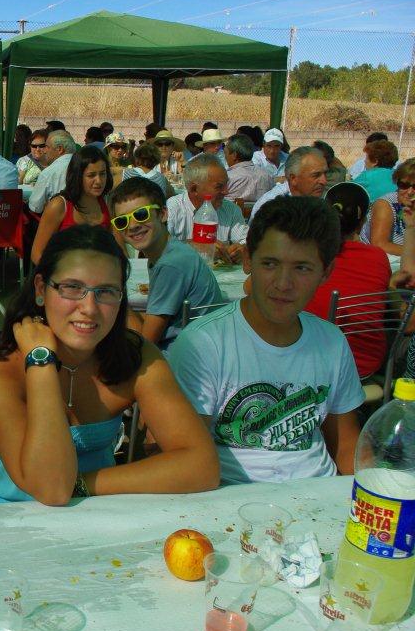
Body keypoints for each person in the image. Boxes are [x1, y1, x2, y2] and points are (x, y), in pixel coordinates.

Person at [0, 225, 219, 506]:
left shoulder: (134, 356)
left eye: (106, 291)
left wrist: (82, 484)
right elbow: (51, 489)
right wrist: (41, 361)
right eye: (72, 287)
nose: (90, 308)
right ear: (41, 289)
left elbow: (201, 466)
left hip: (87, 505)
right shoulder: (1, 369)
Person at [168, 196, 365, 485]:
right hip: (231, 496)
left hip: (319, 491)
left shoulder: (332, 341)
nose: (283, 284)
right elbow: (184, 456)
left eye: (302, 268)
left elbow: (346, 445)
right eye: (270, 264)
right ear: (248, 260)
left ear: (326, 272)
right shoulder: (204, 343)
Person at [115, 178, 224, 347]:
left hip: (184, 355)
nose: (132, 225)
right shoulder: (168, 252)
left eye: (141, 214)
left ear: (163, 214)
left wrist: (116, 297)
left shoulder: (170, 264)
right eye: (122, 221)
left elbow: (145, 344)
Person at [304, 182, 390, 379]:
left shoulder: (309, 253)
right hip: (365, 366)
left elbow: (250, 289)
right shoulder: (378, 257)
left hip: (311, 365)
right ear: (362, 221)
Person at [31, 145, 112, 265]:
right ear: (78, 176)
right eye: (91, 175)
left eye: (103, 174)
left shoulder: (106, 202)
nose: (99, 181)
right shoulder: (59, 205)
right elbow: (37, 254)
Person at [165, 154, 248, 262]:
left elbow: (247, 241)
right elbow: (159, 245)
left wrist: (242, 249)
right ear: (194, 189)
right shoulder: (172, 209)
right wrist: (192, 246)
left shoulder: (231, 209)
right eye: (219, 186)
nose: (226, 191)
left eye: (226, 184)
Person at [251, 146, 329, 216]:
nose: (324, 181)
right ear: (293, 179)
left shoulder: (324, 201)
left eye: (325, 173)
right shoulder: (271, 208)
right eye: (316, 175)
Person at [363, 157, 415, 257]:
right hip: (381, 259)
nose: (409, 192)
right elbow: (379, 245)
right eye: (403, 185)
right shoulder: (386, 204)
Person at [27, 130, 79, 214]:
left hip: (59, 219)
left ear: (60, 149)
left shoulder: (49, 173)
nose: (44, 151)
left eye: (47, 147)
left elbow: (35, 207)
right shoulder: (87, 165)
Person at [224, 133, 274, 203]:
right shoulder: (267, 176)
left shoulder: (226, 178)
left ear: (234, 155)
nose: (225, 157)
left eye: (225, 153)